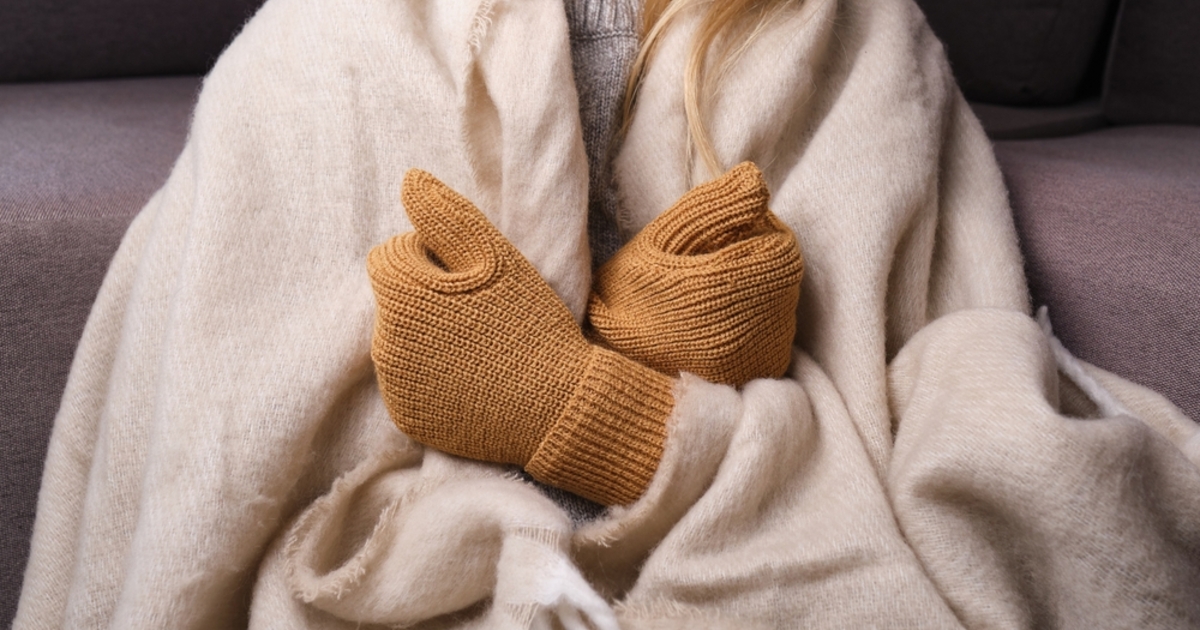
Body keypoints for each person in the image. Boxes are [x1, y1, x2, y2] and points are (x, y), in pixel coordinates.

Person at [15, 0, 1200, 628]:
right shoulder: (330, 41)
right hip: (442, 539)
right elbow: (226, 461)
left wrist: (613, 407)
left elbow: (921, 409)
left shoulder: (849, 38)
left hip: (735, 513)